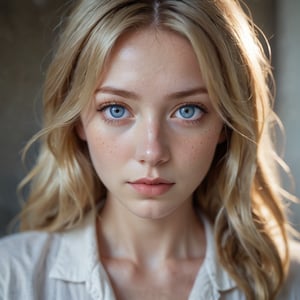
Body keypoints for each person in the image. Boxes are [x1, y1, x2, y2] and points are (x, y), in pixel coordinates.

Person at [0, 0, 299, 299]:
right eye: (116, 110)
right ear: (77, 120)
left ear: (226, 123)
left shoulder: (290, 280)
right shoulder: (11, 276)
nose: (152, 152)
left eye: (188, 111)